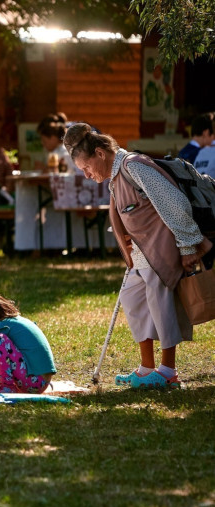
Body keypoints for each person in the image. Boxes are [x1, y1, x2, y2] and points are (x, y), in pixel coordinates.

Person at [63, 122, 214, 388]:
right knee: (132, 299)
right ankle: (146, 368)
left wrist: (189, 246)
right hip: (143, 253)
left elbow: (173, 203)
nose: (86, 175)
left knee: (160, 304)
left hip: (163, 250)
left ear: (100, 153)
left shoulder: (134, 166)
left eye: (86, 168)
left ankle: (168, 372)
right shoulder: (116, 176)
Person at [0, 290, 56, 394]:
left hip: (33, 383)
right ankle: (8, 384)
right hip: (43, 381)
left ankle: (7, 386)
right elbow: (9, 358)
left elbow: (4, 358)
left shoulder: (1, 326)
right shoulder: (15, 322)